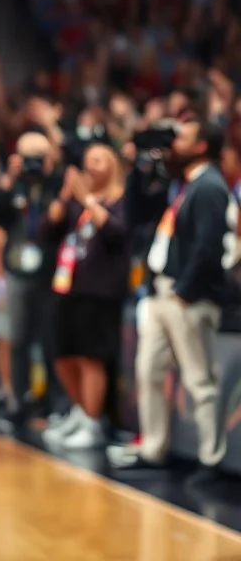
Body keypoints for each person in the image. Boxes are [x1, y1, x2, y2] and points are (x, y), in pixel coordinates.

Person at [109, 119, 236, 476]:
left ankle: (210, 461)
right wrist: (139, 165)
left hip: (187, 297)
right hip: (163, 293)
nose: (173, 143)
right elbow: (137, 211)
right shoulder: (182, 185)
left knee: (199, 380)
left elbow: (208, 246)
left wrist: (185, 291)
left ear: (200, 147)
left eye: (181, 137)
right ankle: (153, 447)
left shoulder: (209, 186)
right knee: (149, 371)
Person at [41, 145, 129, 450]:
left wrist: (89, 201)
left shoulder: (120, 198)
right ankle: (80, 411)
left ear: (113, 165)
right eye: (87, 159)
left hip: (100, 290)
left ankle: (93, 422)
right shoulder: (75, 202)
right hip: (67, 286)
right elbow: (48, 230)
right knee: (63, 356)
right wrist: (65, 196)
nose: (90, 166)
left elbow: (119, 234)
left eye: (98, 160)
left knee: (92, 357)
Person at [0, 131, 65, 422]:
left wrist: (51, 172)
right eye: (28, 157)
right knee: (18, 338)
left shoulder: (57, 185)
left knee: (51, 341)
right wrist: (8, 179)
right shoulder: (13, 186)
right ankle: (17, 402)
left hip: (51, 273)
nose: (33, 164)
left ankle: (55, 406)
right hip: (17, 270)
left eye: (39, 157)